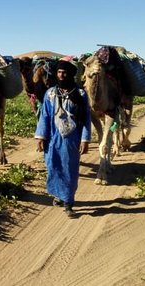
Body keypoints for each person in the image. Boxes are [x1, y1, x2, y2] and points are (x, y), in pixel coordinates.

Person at [35, 59, 91, 218]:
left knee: (68, 168)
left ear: (71, 74)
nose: (61, 75)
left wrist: (85, 139)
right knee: (53, 166)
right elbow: (44, 116)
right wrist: (41, 136)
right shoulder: (50, 93)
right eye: (59, 72)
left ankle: (68, 202)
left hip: (71, 140)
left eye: (65, 72)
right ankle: (58, 195)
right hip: (52, 138)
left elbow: (86, 118)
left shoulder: (80, 94)